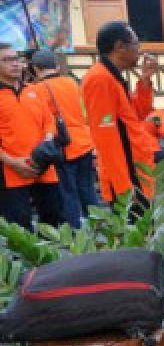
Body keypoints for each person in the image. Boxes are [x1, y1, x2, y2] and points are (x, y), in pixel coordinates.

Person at [82, 21, 159, 210]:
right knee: (136, 236)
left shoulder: (113, 77)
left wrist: (145, 80)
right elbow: (106, 138)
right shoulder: (100, 79)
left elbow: (138, 114)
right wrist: (124, 188)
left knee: (145, 235)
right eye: (136, 44)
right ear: (119, 46)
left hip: (137, 170)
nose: (139, 51)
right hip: (128, 178)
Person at [23, 49, 99, 227]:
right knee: (88, 189)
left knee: (68, 192)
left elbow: (41, 119)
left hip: (64, 145)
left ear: (35, 68)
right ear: (56, 66)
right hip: (84, 141)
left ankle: (74, 231)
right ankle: (100, 226)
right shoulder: (71, 82)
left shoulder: (37, 89)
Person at [0, 43, 62, 228]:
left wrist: (46, 145)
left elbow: (49, 122)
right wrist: (13, 162)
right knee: (19, 228)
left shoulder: (33, 90)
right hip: (12, 170)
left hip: (44, 166)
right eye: (7, 60)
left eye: (16, 58)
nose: (15, 64)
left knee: (52, 221)